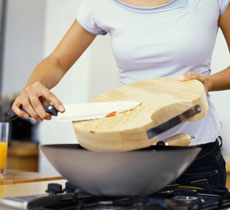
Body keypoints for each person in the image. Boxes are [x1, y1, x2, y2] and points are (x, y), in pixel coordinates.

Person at [12, 0, 230, 187]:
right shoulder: (103, 3)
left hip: (195, 160)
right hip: (126, 157)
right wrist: (34, 86)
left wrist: (207, 83)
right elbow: (57, 61)